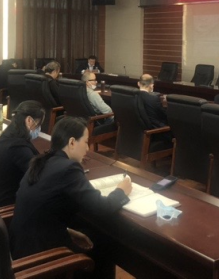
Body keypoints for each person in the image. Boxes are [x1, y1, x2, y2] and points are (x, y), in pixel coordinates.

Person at [9, 117, 131, 278]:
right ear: (72, 142)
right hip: (40, 259)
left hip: (21, 249)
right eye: (85, 142)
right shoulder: (68, 168)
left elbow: (40, 212)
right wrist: (121, 191)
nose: (87, 148)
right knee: (104, 244)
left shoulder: (41, 161)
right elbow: (102, 207)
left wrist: (68, 231)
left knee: (89, 233)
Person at [0, 100, 44, 207]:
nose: (39, 128)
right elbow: (39, 177)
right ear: (29, 120)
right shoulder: (18, 147)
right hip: (5, 205)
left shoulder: (9, 135)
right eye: (39, 124)